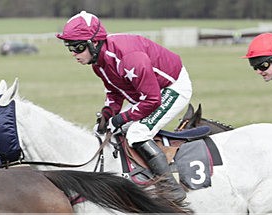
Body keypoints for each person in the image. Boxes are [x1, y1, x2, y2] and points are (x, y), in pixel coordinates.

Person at [56, 11, 193, 195]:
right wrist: (107, 114)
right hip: (146, 92)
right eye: (69, 47)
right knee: (110, 131)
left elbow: (152, 100)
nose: (74, 53)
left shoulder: (129, 59)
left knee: (137, 132)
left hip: (171, 87)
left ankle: (171, 188)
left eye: (78, 47)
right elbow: (114, 92)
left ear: (94, 42)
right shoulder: (98, 62)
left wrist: (121, 118)